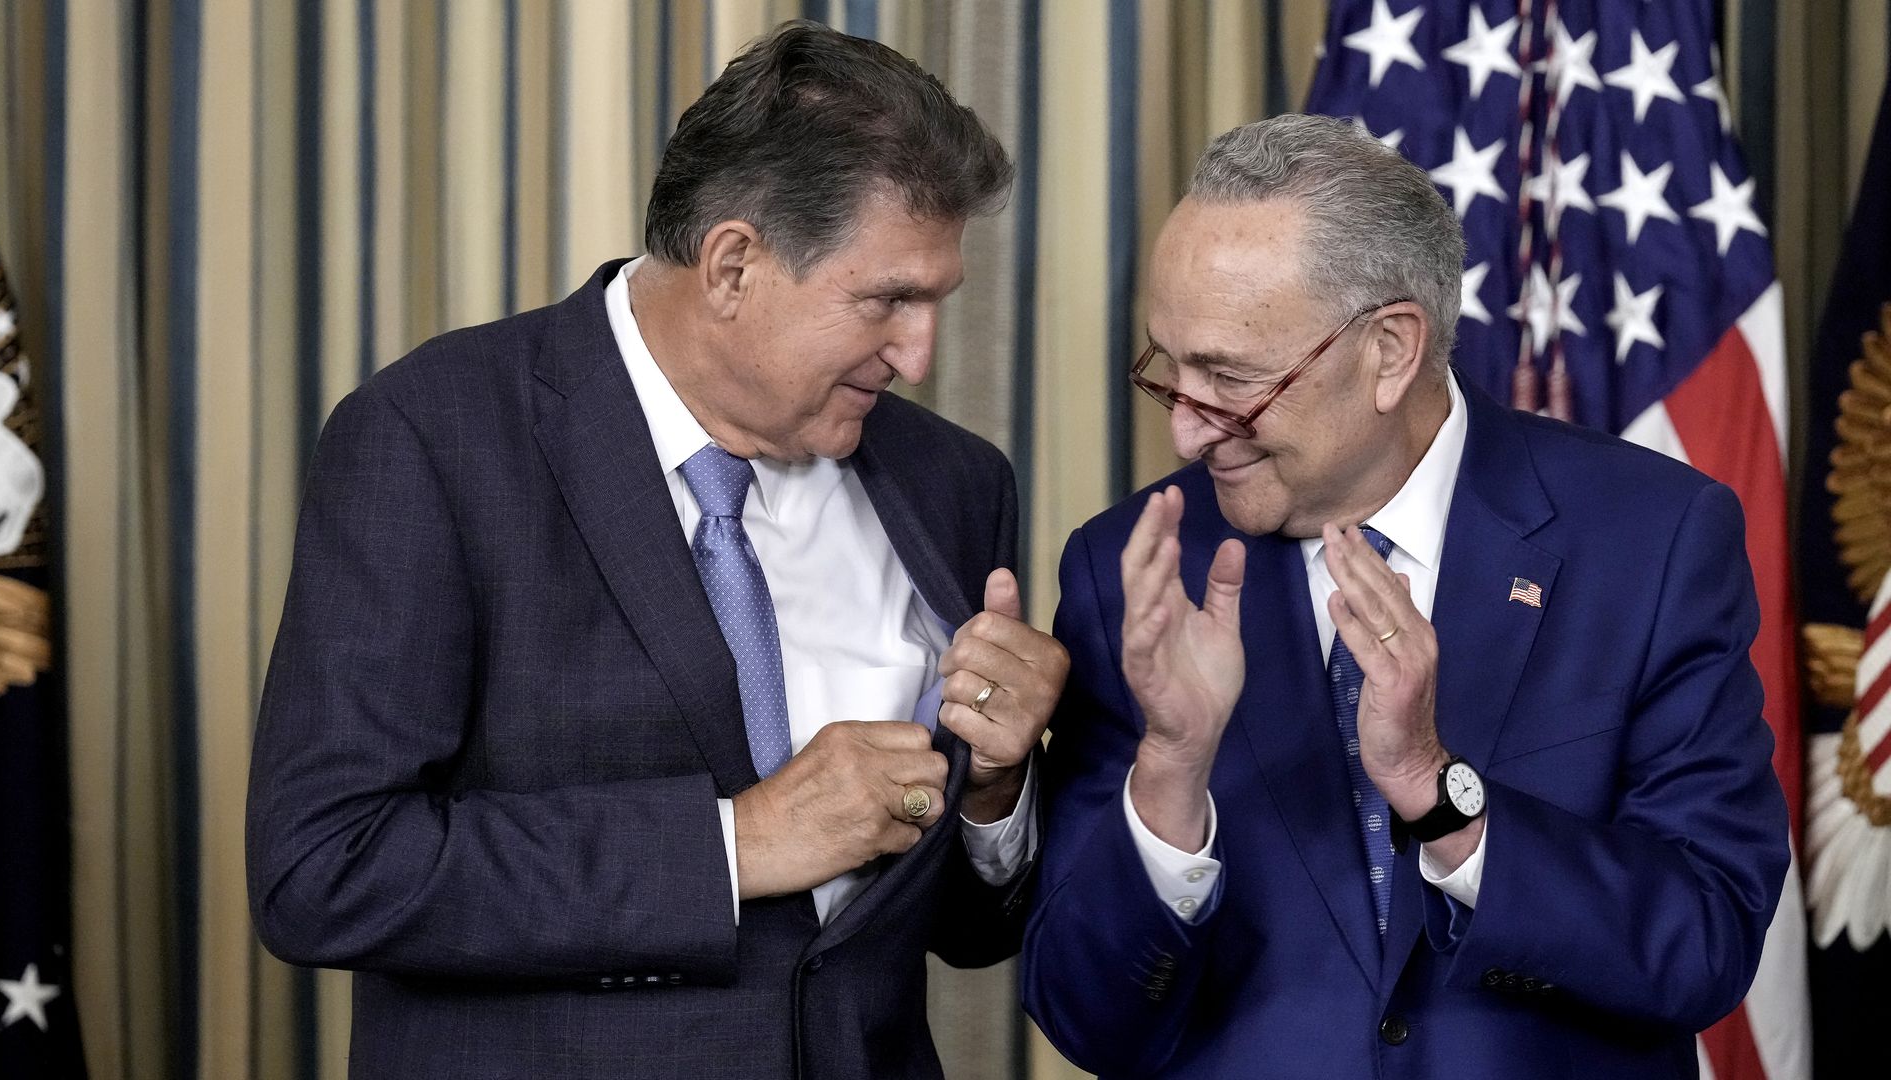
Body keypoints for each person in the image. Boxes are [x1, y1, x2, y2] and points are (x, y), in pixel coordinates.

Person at [246, 22, 1065, 1080]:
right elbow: (323, 870)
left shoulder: (954, 482)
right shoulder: (431, 439)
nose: (919, 355)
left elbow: (965, 928)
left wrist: (997, 790)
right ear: (732, 264)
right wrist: (738, 845)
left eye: (935, 303)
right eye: (888, 301)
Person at [1021, 114, 1789, 1077]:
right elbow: (1085, 1018)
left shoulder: (1651, 540)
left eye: (1231, 380)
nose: (1186, 432)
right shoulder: (1130, 571)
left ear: (1389, 350)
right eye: (1169, 372)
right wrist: (1172, 770)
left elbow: (1706, 944)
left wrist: (1445, 801)